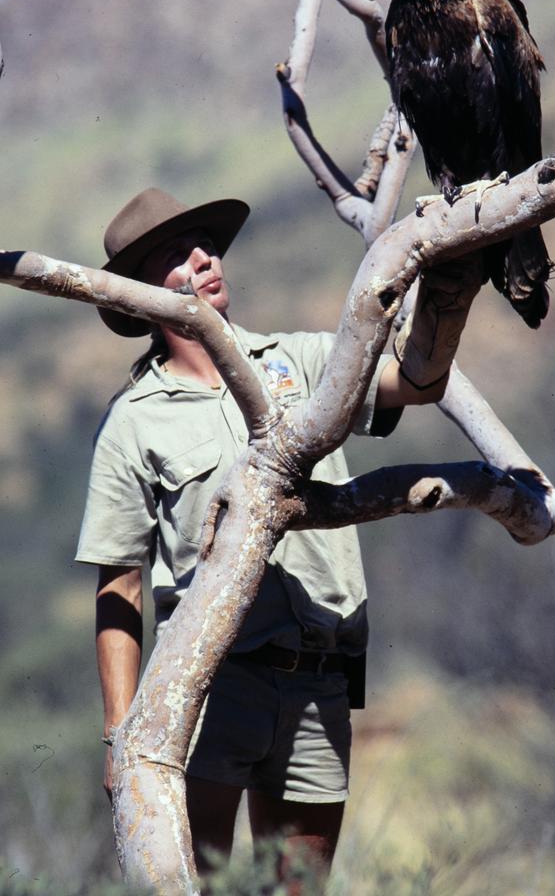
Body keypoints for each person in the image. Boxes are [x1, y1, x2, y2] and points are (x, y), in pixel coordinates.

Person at [76, 187, 481, 886]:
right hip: (205, 689)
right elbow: (119, 583)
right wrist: (121, 735)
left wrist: (451, 278)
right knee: (196, 881)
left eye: (204, 244)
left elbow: (415, 382)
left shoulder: (301, 359)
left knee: (295, 888)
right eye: (176, 254)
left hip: (319, 681)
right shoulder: (133, 422)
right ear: (142, 296)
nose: (203, 258)